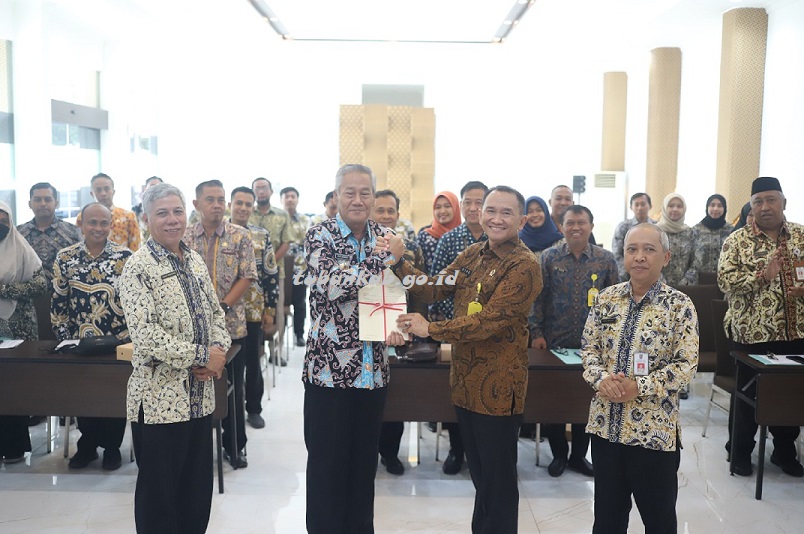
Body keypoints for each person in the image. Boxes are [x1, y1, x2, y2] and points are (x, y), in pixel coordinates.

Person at [393, 185, 541, 534]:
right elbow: (432, 287)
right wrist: (398, 263)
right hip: (464, 383)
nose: (496, 218)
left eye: (506, 212)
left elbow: (489, 321)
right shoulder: (473, 253)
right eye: (491, 210)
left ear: (521, 220)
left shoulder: (524, 265)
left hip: (498, 389)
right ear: (479, 213)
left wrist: (432, 328)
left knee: (498, 481)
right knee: (481, 477)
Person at [118, 183, 229, 534]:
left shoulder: (193, 259)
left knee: (196, 492)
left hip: (200, 399)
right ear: (147, 219)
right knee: (159, 497)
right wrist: (202, 355)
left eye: (177, 211)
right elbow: (145, 335)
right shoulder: (137, 267)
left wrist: (218, 351)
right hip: (159, 403)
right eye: (162, 213)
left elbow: (216, 313)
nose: (172, 220)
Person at [302, 164, 405, 534]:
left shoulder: (387, 236)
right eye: (350, 192)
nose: (358, 200)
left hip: (372, 372)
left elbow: (396, 288)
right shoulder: (319, 235)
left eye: (365, 192)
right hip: (328, 375)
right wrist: (384, 258)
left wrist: (398, 325)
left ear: (374, 197)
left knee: (364, 469)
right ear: (336, 197)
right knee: (327, 469)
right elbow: (332, 285)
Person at [582, 223, 698, 534]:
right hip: (606, 428)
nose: (640, 257)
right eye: (632, 249)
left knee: (658, 521)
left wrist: (639, 386)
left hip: (653, 433)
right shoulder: (606, 299)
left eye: (649, 250)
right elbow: (589, 349)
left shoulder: (680, 305)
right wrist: (601, 380)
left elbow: (686, 364)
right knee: (607, 520)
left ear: (666, 257)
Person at [718, 176, 804, 478]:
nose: (765, 207)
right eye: (758, 202)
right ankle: (740, 452)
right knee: (747, 398)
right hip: (752, 336)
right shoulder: (737, 241)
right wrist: (762, 276)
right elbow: (725, 282)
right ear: (751, 207)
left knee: (789, 396)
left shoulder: (801, 236)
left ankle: (784, 452)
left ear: (783, 202)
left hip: (796, 333)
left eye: (771, 200)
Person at [529, 205, 618, 478]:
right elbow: (537, 298)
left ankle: (579, 456)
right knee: (554, 402)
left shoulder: (605, 259)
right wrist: (536, 333)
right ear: (562, 226)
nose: (576, 228)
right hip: (554, 342)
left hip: (593, 347)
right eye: (570, 223)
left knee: (586, 402)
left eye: (581, 222)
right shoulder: (549, 257)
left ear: (591, 226)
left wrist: (611, 340)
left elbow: (615, 303)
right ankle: (559, 455)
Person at [51, 202, 132, 470]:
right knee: (83, 395)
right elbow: (59, 301)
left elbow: (135, 302)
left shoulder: (125, 257)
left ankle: (112, 448)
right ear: (81, 224)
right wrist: (65, 339)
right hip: (80, 342)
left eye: (103, 223)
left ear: (111, 225)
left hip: (117, 342)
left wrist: (129, 340)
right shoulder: (66, 257)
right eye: (92, 222)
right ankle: (87, 446)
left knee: (113, 396)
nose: (98, 228)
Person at [185, 180, 257, 468]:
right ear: (196, 204)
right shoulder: (184, 236)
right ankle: (197, 447)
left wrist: (222, 306)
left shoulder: (240, 236)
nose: (217, 205)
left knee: (232, 389)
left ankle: (235, 446)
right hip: (191, 330)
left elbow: (247, 276)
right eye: (210, 199)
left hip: (231, 326)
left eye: (220, 200)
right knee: (194, 386)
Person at [428, 180, 489, 474]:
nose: (473, 208)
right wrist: (442, 326)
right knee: (457, 391)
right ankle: (456, 449)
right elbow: (436, 285)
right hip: (455, 332)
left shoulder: (500, 240)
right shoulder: (449, 240)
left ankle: (485, 454)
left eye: (479, 202)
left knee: (486, 392)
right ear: (461, 206)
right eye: (468, 202)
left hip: (490, 333)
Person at [372, 188, 426, 476]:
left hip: (400, 333)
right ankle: (365, 454)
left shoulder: (411, 248)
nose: (385, 215)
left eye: (390, 210)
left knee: (395, 396)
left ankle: (390, 453)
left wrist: (414, 327)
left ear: (397, 214)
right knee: (367, 399)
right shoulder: (359, 247)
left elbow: (419, 290)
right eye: (379, 210)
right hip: (365, 335)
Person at [229, 186, 279, 430]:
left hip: (253, 310)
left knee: (252, 361)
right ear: (230, 205)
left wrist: (270, 309)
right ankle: (229, 411)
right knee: (229, 365)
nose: (243, 208)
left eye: (248, 204)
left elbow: (270, 273)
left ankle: (254, 409)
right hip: (225, 312)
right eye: (239, 203)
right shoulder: (220, 233)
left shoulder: (261, 235)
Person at [0, 201, 46, 463]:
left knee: (13, 387)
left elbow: (41, 284)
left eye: (3, 219)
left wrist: (5, 290)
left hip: (19, 327)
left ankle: (14, 446)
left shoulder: (20, 247)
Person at [250, 178, 291, 364]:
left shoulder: (282, 215)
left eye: (264, 188)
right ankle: (257, 352)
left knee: (277, 311)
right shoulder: (247, 213)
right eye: (257, 188)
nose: (261, 191)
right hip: (250, 275)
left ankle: (276, 352)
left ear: (271, 191)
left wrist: (269, 263)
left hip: (276, 274)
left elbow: (286, 242)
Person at [17, 182, 81, 277]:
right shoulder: (18, 234)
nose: (43, 204)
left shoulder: (73, 232)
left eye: (47, 199)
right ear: (30, 204)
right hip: (28, 285)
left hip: (65, 285)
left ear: (56, 203)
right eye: (37, 200)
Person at [77, 173, 140, 251]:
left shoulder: (128, 216)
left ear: (113, 192)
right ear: (92, 193)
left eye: (107, 189)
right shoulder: (83, 217)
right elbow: (78, 244)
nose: (103, 193)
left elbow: (135, 246)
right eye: (98, 190)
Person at [280, 186, 310, 347]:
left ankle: (299, 334)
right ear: (281, 200)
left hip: (300, 270)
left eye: (293, 196)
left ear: (297, 200)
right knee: (280, 304)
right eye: (287, 196)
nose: (290, 199)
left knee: (300, 303)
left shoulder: (305, 220)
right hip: (280, 270)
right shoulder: (278, 219)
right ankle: (281, 338)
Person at [612, 192, 656, 281]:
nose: (639, 208)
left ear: (650, 206)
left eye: (643, 204)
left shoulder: (657, 227)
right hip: (627, 276)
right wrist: (630, 272)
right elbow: (617, 254)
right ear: (631, 207)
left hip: (652, 275)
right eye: (636, 205)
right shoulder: (623, 227)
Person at [416, 191, 461, 275]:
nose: (442, 211)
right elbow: (417, 268)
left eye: (447, 206)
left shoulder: (463, 234)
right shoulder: (424, 236)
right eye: (438, 207)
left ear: (456, 208)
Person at [656, 193, 696, 286]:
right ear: (665, 208)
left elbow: (695, 262)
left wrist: (686, 282)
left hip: (685, 287)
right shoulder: (655, 231)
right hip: (658, 285)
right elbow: (651, 259)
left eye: (679, 206)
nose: (675, 209)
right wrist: (661, 281)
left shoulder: (690, 232)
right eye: (671, 206)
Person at [691, 194, 734, 279]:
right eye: (712, 205)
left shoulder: (731, 230)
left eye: (720, 206)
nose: (716, 208)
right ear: (707, 207)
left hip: (725, 278)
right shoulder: (696, 230)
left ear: (724, 208)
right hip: (699, 279)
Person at [519, 195, 564, 260]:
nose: (535, 215)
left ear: (546, 213)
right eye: (530, 211)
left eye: (539, 210)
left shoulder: (560, 243)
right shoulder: (517, 243)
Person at [131, 176, 163, 241]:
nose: (155, 190)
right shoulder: (135, 210)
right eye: (152, 186)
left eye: (158, 187)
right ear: (145, 189)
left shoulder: (168, 209)